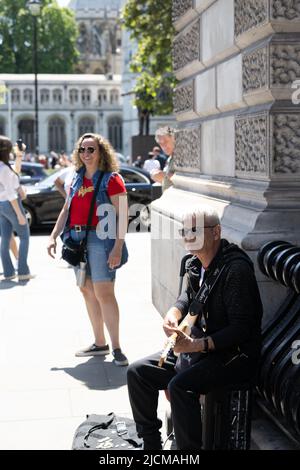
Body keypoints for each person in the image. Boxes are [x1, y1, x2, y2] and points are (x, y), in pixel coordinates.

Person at [127, 205, 262, 450]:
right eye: (184, 230)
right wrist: (173, 313)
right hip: (198, 349)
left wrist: (197, 345)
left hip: (232, 354)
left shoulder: (236, 270)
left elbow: (242, 328)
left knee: (180, 386)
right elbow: (187, 298)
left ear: (216, 232)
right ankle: (151, 446)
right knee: (138, 373)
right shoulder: (194, 263)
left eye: (195, 230)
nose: (188, 236)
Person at [47, 133, 129, 366]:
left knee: (104, 293)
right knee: (86, 290)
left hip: (101, 239)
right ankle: (99, 342)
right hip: (76, 239)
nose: (86, 154)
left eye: (91, 149)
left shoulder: (112, 179)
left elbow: (123, 214)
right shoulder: (76, 178)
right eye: (82, 150)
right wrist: (53, 236)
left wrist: (117, 247)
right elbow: (66, 209)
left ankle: (117, 348)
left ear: (101, 152)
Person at [0, 135, 34, 281]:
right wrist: (20, 214)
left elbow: (16, 171)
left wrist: (20, 155)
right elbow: (10, 192)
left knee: (5, 238)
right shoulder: (4, 169)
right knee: (24, 237)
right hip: (10, 203)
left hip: (1, 204)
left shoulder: (4, 166)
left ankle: (8, 272)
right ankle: (23, 271)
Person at [150, 127, 175, 192]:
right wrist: (157, 176)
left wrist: (164, 175)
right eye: (161, 143)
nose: (164, 146)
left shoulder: (182, 155)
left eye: (166, 141)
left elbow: (188, 179)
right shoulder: (170, 158)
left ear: (174, 139)